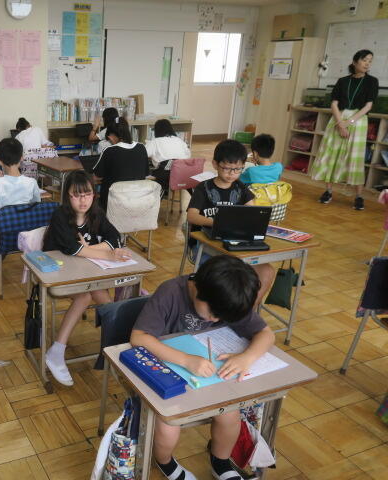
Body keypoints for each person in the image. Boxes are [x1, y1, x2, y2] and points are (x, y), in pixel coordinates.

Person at [130, 255, 275, 480]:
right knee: (169, 424)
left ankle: (221, 463)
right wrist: (186, 360)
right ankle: (165, 462)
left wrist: (246, 358)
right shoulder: (171, 292)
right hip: (167, 372)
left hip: (207, 377)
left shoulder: (227, 299)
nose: (216, 320)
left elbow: (266, 334)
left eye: (221, 317)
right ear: (199, 288)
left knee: (230, 414)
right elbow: (138, 337)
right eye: (213, 314)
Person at [43, 170, 132, 386]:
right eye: (76, 195)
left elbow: (115, 238)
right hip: (57, 275)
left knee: (100, 293)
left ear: (94, 194)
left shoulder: (96, 213)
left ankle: (115, 342)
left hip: (85, 271)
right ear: (67, 195)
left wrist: (90, 249)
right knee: (85, 296)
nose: (83, 201)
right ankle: (57, 351)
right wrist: (106, 253)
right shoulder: (60, 216)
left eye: (87, 194)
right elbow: (72, 249)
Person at [187, 139, 275, 305]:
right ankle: (220, 308)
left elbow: (252, 213)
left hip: (234, 244)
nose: (232, 174)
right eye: (227, 168)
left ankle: (244, 311)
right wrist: (216, 223)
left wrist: (253, 221)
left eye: (237, 169)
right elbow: (191, 216)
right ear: (215, 164)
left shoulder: (240, 188)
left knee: (266, 271)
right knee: (223, 277)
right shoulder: (203, 188)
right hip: (206, 244)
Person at [311, 49, 379, 210]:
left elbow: (368, 106)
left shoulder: (372, 81)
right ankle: (328, 191)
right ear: (355, 62)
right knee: (331, 156)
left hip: (358, 121)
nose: (367, 63)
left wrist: (348, 122)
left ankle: (359, 196)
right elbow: (334, 103)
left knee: (355, 159)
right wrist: (340, 123)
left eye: (370, 61)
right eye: (364, 60)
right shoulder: (342, 81)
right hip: (338, 119)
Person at [0, 138, 42, 263]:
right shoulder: (32, 183)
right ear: (22, 157)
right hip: (27, 235)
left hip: (4, 237)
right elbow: (36, 205)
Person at [92, 117, 151, 211]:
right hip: (137, 201)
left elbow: (96, 177)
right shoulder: (141, 147)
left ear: (111, 136)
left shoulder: (109, 150)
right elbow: (146, 173)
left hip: (112, 202)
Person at [145, 119, 192, 192]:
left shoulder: (155, 141)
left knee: (148, 171)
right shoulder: (179, 140)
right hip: (183, 174)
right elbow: (188, 155)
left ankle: (160, 192)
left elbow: (143, 154)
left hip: (165, 175)